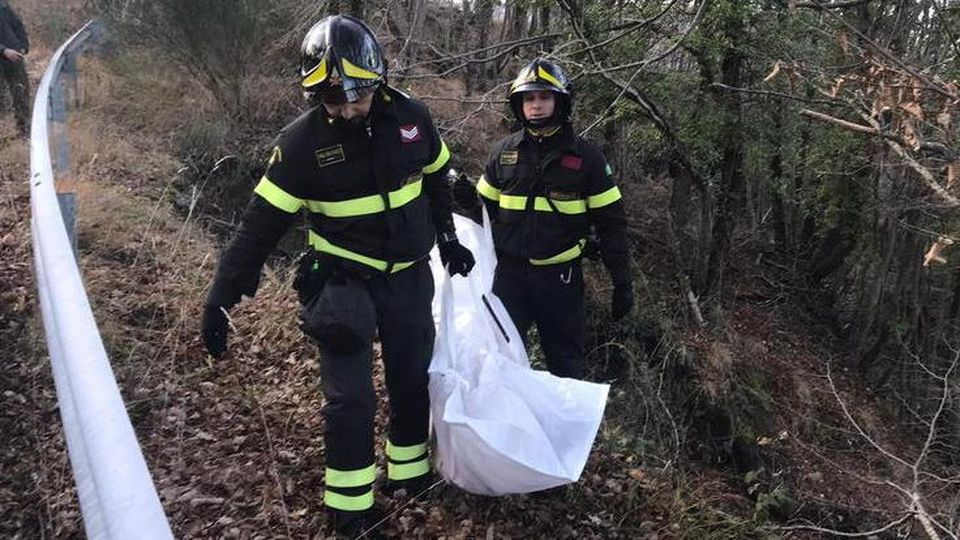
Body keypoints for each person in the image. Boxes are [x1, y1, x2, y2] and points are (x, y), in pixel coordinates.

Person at [200, 15, 474, 537]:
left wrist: (448, 237)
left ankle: (409, 474)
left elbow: (437, 177)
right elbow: (259, 227)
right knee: (350, 398)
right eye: (331, 100)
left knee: (412, 378)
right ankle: (349, 508)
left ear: (377, 81)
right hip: (342, 281)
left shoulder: (412, 117)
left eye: (356, 97)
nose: (347, 108)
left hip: (408, 276)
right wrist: (220, 297)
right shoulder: (300, 146)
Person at [455, 58, 633, 380]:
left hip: (560, 281)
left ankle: (563, 416)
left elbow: (612, 224)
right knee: (502, 362)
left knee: (566, 369)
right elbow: (484, 216)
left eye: (544, 97)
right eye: (528, 98)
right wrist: (468, 202)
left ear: (561, 101)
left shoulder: (588, 159)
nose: (535, 106)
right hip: (508, 277)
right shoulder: (503, 152)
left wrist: (622, 282)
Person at [0, 0, 29, 137]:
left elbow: (17, 24)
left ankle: (24, 131)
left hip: (14, 56)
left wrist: (23, 45)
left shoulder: (2, 4)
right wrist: (3, 50)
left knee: (21, 92)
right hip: (5, 54)